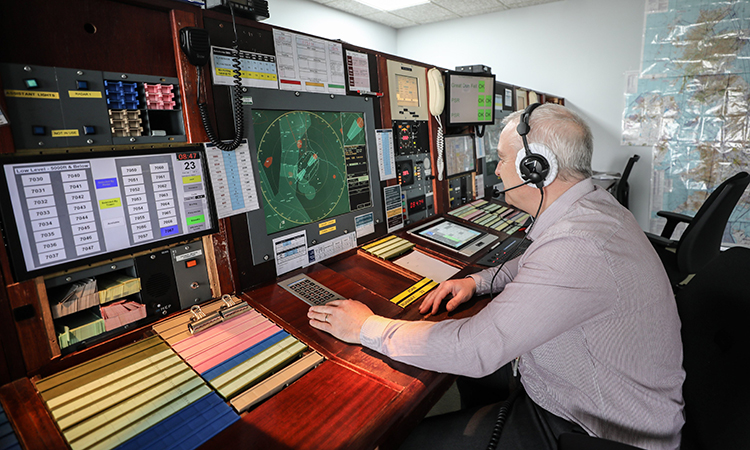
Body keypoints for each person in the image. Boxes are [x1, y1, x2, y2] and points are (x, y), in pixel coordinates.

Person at [308, 103, 685, 450]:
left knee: (404, 441)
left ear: (536, 168)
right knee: (476, 383)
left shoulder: (578, 244)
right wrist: (478, 281)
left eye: (504, 160)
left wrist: (365, 327)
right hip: (597, 396)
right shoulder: (595, 208)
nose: (498, 170)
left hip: (589, 430)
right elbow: (536, 261)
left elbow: (474, 349)